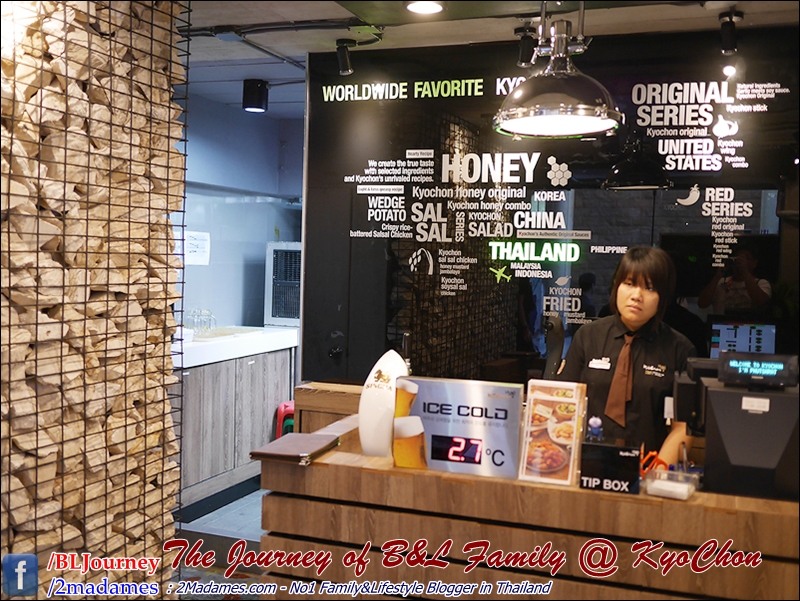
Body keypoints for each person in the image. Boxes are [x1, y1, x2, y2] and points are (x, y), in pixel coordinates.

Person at [558, 247, 695, 465]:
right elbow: (563, 403)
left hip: (648, 466)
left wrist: (656, 471)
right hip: (586, 465)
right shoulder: (588, 336)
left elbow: (683, 428)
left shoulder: (679, 349)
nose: (636, 296)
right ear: (616, 286)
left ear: (663, 297)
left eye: (649, 288)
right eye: (629, 283)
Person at [697, 248, 771, 314]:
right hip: (722, 322)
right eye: (737, 259)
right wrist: (717, 277)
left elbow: (760, 302)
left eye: (745, 259)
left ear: (754, 263)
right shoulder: (721, 282)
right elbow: (702, 304)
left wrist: (745, 272)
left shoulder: (761, 283)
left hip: (748, 323)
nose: (740, 262)